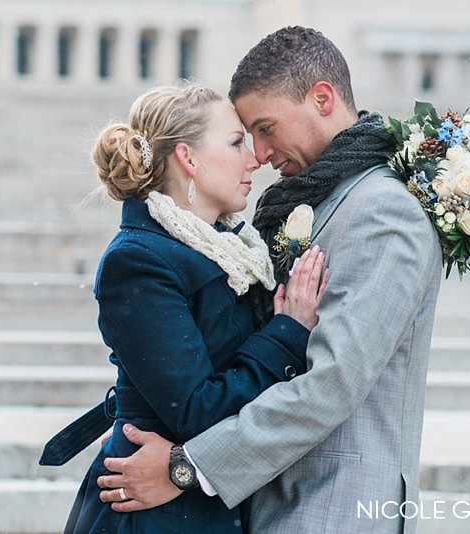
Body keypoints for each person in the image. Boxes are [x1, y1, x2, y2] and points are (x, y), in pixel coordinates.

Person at [96, 26, 443, 534]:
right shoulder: (310, 201)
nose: (258, 153)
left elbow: (330, 384)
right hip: (268, 501)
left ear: (322, 99)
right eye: (243, 137)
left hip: (335, 505)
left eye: (264, 128)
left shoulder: (383, 212)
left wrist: (188, 466)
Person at [58, 83, 329, 533]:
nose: (255, 158)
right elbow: (196, 410)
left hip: (197, 495)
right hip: (153, 511)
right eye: (236, 142)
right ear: (188, 159)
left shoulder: (231, 251)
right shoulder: (138, 260)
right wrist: (287, 331)